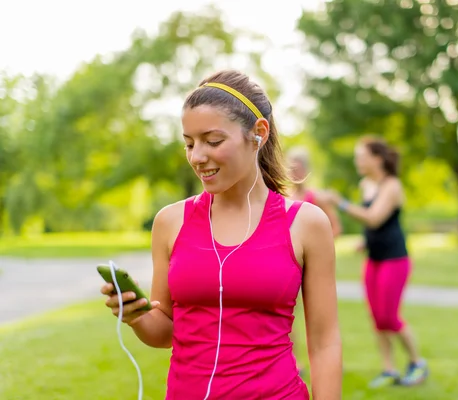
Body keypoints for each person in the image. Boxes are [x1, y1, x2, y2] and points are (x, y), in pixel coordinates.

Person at [100, 70, 342, 399]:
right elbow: (165, 331)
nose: (197, 156)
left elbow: (325, 342)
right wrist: (136, 315)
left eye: (213, 141)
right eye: (189, 143)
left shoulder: (305, 223)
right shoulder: (170, 222)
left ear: (258, 133)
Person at [321, 135, 428, 388]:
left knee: (389, 317)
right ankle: (389, 369)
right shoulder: (365, 184)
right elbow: (373, 228)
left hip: (395, 259)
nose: (357, 161)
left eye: (361, 156)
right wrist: (365, 242)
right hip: (374, 259)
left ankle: (417, 363)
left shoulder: (392, 186)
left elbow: (374, 218)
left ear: (377, 158)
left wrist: (340, 203)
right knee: (377, 318)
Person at [286, 146, 343, 375]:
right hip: (290, 263)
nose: (294, 171)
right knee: (288, 315)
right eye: (291, 166)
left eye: (299, 167)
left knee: (321, 317)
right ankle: (294, 363)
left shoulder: (316, 197)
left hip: (313, 264)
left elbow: (336, 227)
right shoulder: (282, 195)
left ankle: (328, 361)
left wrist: (316, 248)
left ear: (306, 169)